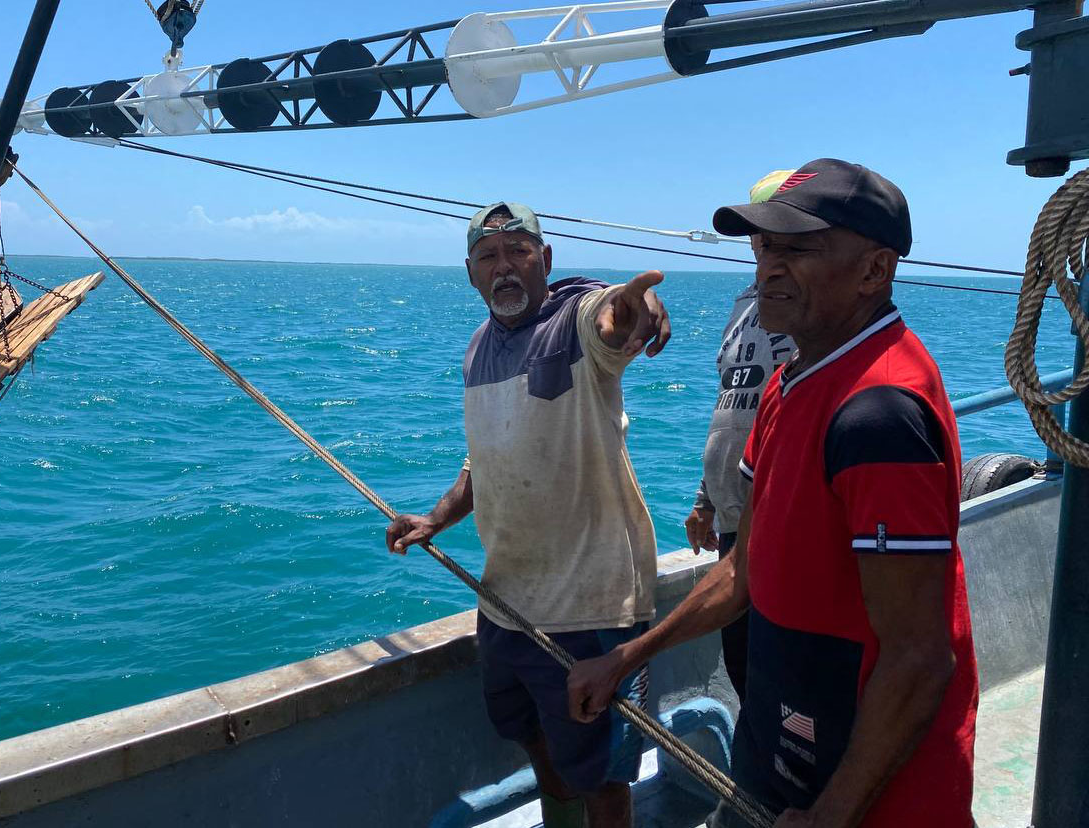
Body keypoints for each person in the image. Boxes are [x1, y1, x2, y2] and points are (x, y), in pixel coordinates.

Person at [567, 159, 979, 827]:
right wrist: (628, 657)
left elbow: (918, 657)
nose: (768, 270)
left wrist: (830, 815)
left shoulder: (880, 414)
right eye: (765, 249)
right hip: (781, 753)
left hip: (872, 795)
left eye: (798, 250)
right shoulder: (789, 386)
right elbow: (742, 570)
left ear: (875, 271)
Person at [385, 202, 671, 828]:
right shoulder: (478, 349)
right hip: (507, 603)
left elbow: (614, 320)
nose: (504, 266)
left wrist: (634, 309)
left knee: (604, 774)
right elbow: (487, 461)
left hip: (591, 609)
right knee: (532, 739)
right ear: (470, 274)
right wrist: (435, 519)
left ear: (546, 261)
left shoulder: (572, 319)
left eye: (519, 250)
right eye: (488, 256)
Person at [686, 170, 798, 702]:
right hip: (734, 523)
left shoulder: (811, 306)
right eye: (758, 237)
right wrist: (705, 500)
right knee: (747, 678)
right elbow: (729, 403)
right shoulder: (742, 306)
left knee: (785, 691)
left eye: (778, 235)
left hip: (782, 531)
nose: (764, 248)